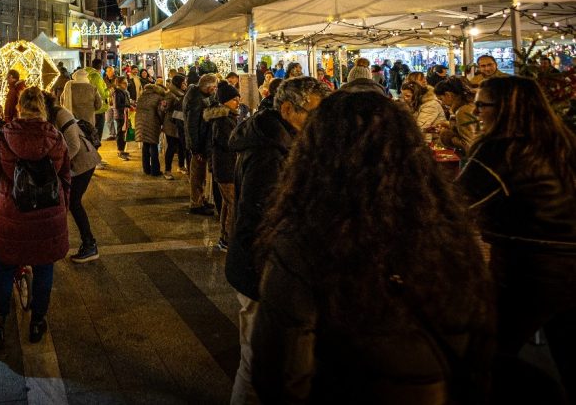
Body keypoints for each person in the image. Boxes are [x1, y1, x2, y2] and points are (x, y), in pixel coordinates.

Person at [251, 91, 494, 403]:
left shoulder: (306, 238)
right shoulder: (446, 227)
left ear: (316, 153)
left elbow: (281, 370)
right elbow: (480, 335)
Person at [460, 76, 576, 401]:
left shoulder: (501, 150)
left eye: (482, 104)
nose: (476, 110)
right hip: (565, 265)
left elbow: (456, 205)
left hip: (530, 268)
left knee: (486, 352)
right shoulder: (561, 140)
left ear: (506, 109)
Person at [226, 77, 331, 404]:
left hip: (263, 266)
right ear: (287, 109)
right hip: (260, 269)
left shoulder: (276, 139)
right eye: (312, 113)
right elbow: (262, 217)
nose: (317, 122)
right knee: (256, 361)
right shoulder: (270, 152)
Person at [0, 88, 71, 352]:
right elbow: (66, 178)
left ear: (19, 107)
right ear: (42, 108)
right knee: (44, 268)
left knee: (3, 268)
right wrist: (61, 211)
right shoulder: (56, 138)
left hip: (10, 215)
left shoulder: (1, 138)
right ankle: (37, 321)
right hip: (46, 216)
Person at [43, 92, 101, 263]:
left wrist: (57, 167)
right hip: (73, 165)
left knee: (73, 202)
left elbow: (74, 146)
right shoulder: (49, 115)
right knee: (66, 203)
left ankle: (90, 244)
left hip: (83, 162)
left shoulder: (60, 113)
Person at [205, 81, 241, 251]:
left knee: (228, 204)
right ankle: (228, 239)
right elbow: (230, 143)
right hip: (226, 167)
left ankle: (224, 237)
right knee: (233, 203)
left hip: (225, 167)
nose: (238, 101)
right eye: (234, 99)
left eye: (238, 98)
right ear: (225, 101)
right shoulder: (223, 120)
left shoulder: (227, 117)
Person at [184, 74, 218, 216]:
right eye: (214, 87)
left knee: (200, 174)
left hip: (200, 143)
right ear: (209, 87)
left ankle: (200, 199)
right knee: (197, 175)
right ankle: (196, 203)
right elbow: (192, 126)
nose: (215, 90)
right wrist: (196, 148)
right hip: (198, 144)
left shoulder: (196, 95)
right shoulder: (196, 99)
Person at [433, 76, 479, 154]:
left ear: (448, 95)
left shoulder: (463, 111)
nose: (443, 103)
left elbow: (469, 145)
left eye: (441, 99)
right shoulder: (471, 105)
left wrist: (447, 136)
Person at [134, 80, 167, 177]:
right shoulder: (158, 97)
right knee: (153, 146)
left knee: (145, 146)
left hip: (140, 124)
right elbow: (160, 112)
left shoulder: (141, 97)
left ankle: (146, 169)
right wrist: (162, 121)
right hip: (152, 123)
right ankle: (155, 171)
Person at [163, 74, 188, 177]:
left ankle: (181, 166)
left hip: (180, 123)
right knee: (172, 147)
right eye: (183, 83)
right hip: (171, 124)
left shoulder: (182, 93)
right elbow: (164, 108)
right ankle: (167, 170)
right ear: (178, 83)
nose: (185, 84)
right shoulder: (171, 94)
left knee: (181, 146)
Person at [86, 58, 111, 143]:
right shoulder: (96, 76)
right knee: (98, 133)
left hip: (89, 108)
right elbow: (102, 94)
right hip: (99, 108)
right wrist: (109, 90)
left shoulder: (87, 75)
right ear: (101, 66)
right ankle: (95, 153)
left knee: (91, 132)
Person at [111, 77, 132, 160]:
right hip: (120, 115)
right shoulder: (117, 92)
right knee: (120, 133)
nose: (126, 84)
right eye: (124, 82)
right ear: (119, 83)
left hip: (124, 114)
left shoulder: (124, 91)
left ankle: (122, 150)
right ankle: (120, 151)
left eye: (126, 82)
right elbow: (116, 105)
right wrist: (128, 106)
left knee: (123, 133)